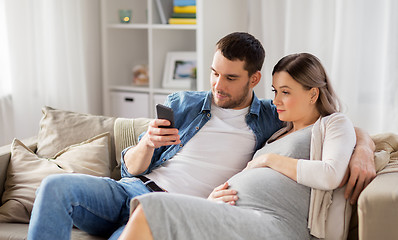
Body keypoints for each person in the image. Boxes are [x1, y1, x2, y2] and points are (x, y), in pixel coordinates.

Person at [27, 33, 375, 240]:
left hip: (182, 206)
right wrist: (147, 145)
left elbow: (329, 122)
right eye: (214, 73)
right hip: (131, 188)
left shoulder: (273, 116)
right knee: (54, 188)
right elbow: (129, 168)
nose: (218, 86)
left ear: (254, 80)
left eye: (230, 78)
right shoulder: (186, 104)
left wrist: (363, 147)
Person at [118, 53, 361, 240]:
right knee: (148, 216)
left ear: (313, 94)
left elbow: (331, 174)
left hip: (274, 224)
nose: (275, 101)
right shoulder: (278, 132)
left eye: (286, 92)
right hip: (235, 215)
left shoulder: (332, 124)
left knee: (152, 208)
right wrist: (210, 200)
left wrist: (269, 160)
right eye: (275, 91)